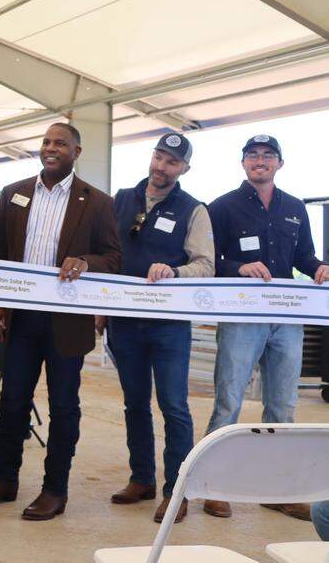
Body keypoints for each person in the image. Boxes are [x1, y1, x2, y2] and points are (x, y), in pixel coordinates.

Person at [0, 123, 121, 521]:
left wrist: (87, 263)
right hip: (20, 319)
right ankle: (4, 480)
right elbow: (1, 252)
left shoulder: (98, 202)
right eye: (46, 142)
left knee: (63, 405)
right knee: (14, 400)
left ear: (76, 151)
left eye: (61, 144)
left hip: (66, 323)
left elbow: (113, 257)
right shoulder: (13, 194)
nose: (51, 149)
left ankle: (55, 489)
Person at [202, 134, 329, 521]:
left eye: (268, 155)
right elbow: (209, 262)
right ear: (243, 163)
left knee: (283, 407)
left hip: (287, 320)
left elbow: (304, 256)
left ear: (279, 163)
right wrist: (238, 267)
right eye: (253, 155)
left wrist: (320, 267)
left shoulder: (294, 207)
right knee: (228, 401)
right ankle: (212, 487)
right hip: (243, 317)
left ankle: (275, 490)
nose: (260, 161)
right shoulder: (221, 207)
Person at [101, 133, 214, 524]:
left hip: (168, 327)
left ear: (184, 169)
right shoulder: (120, 200)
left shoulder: (193, 210)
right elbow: (106, 252)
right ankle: (142, 479)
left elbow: (205, 265)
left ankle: (176, 491)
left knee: (174, 407)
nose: (161, 167)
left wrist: (175, 271)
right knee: (135, 403)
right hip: (124, 323)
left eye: (171, 162)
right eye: (158, 157)